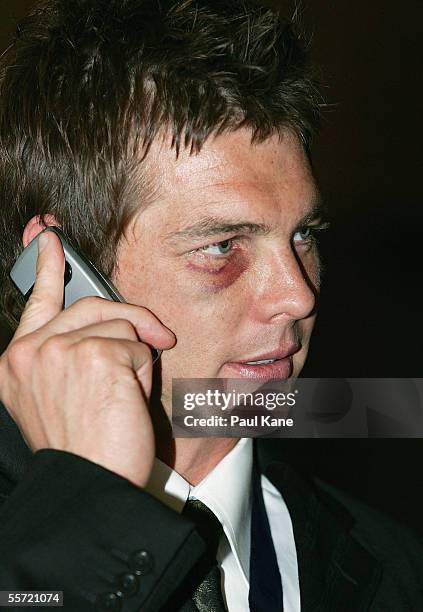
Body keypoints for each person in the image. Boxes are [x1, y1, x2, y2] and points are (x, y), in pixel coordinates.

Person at [0, 1, 421, 611]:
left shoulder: (397, 567)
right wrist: (86, 509)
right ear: (59, 268)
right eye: (222, 245)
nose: (298, 295)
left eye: (304, 234)